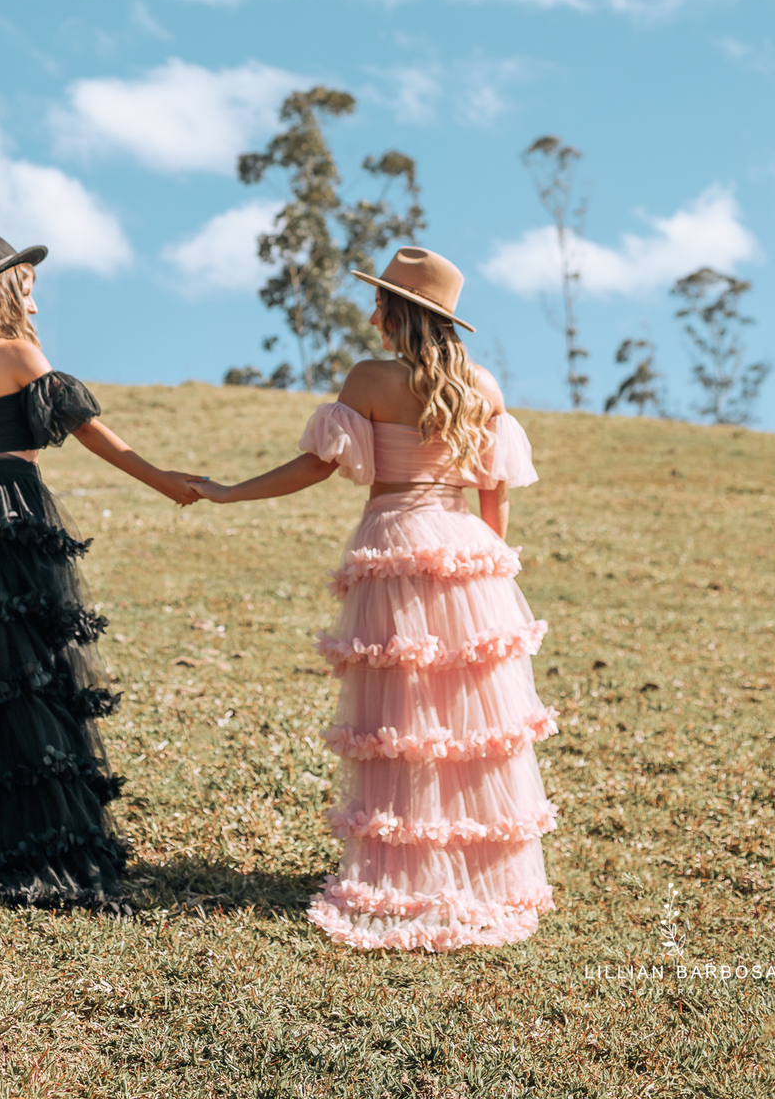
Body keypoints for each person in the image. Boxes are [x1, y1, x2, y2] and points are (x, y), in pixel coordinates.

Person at [194, 246, 555, 951]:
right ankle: (477, 875)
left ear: (398, 312)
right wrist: (490, 572)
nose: (370, 313)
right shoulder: (482, 385)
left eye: (380, 302)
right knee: (464, 725)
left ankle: (406, 876)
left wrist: (230, 490)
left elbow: (316, 467)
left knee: (402, 720)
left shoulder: (369, 378)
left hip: (394, 545)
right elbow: (495, 498)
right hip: (466, 553)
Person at [0, 235, 202, 913]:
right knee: (35, 669)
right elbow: (88, 432)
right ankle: (45, 845)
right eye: (29, 282)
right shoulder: (20, 354)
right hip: (17, 509)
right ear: (6, 290)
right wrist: (163, 479)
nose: (37, 294)